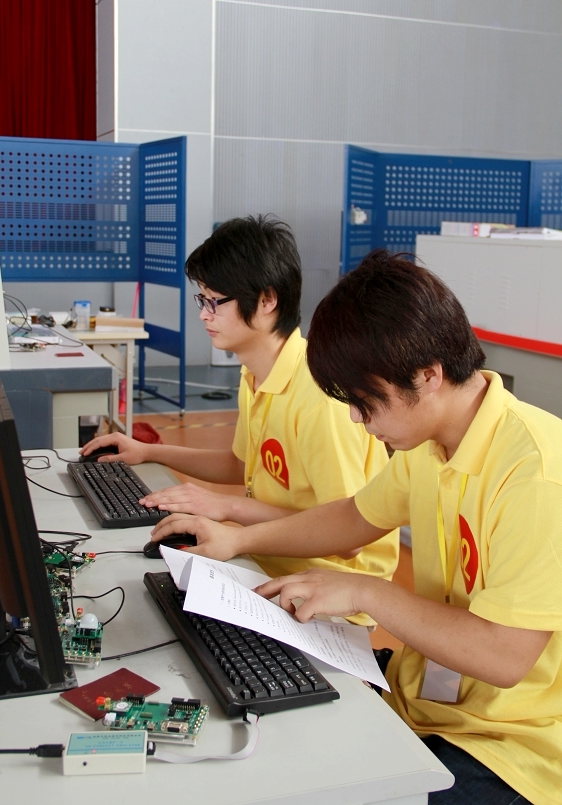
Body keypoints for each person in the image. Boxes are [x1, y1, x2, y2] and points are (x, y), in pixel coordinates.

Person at [152, 250, 561, 805]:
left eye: (366, 402)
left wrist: (366, 591)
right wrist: (241, 539)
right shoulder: (432, 444)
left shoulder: (536, 473)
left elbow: (504, 657)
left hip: (513, 742)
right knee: (269, 728)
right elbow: (353, 517)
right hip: (428, 693)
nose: (354, 418)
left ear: (428, 375)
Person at [82, 217, 399, 625]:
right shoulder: (256, 373)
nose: (204, 315)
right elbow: (241, 464)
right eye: (202, 300)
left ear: (267, 301)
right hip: (271, 564)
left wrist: (226, 507)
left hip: (330, 600)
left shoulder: (320, 398)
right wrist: (147, 452)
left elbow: (347, 537)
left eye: (215, 302)